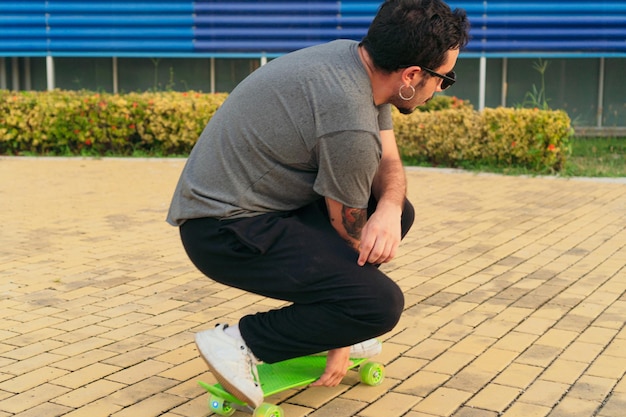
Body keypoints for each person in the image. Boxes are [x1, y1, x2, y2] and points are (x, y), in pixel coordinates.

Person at [167, 0, 470, 408]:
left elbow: (389, 161)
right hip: (224, 230)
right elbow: (349, 233)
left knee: (394, 211)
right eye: (444, 79)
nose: (441, 88)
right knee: (380, 304)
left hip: (256, 211)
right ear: (412, 75)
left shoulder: (358, 62)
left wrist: (391, 209)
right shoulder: (349, 120)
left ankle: (333, 318)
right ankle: (238, 342)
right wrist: (344, 329)